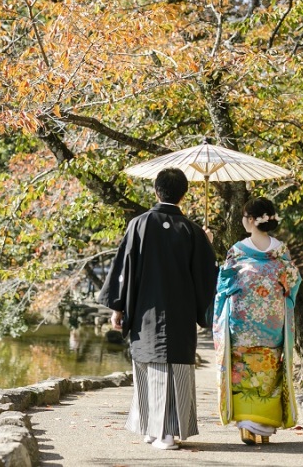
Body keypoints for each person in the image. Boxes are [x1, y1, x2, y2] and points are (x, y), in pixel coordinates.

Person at [98, 167, 217, 450]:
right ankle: (161, 431)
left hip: (144, 314)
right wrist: (206, 244)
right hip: (180, 313)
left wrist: (117, 308)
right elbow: (206, 276)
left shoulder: (139, 224)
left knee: (148, 365)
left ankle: (157, 432)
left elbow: (124, 270)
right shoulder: (192, 230)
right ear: (183, 194)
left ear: (156, 190)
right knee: (172, 367)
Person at [212, 197, 301, 445]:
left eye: (244, 217)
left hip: (242, 324)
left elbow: (224, 286)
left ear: (251, 220)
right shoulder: (281, 250)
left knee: (242, 372)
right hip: (273, 323)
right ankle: (264, 429)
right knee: (268, 373)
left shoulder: (238, 250)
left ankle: (247, 427)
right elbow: (292, 284)